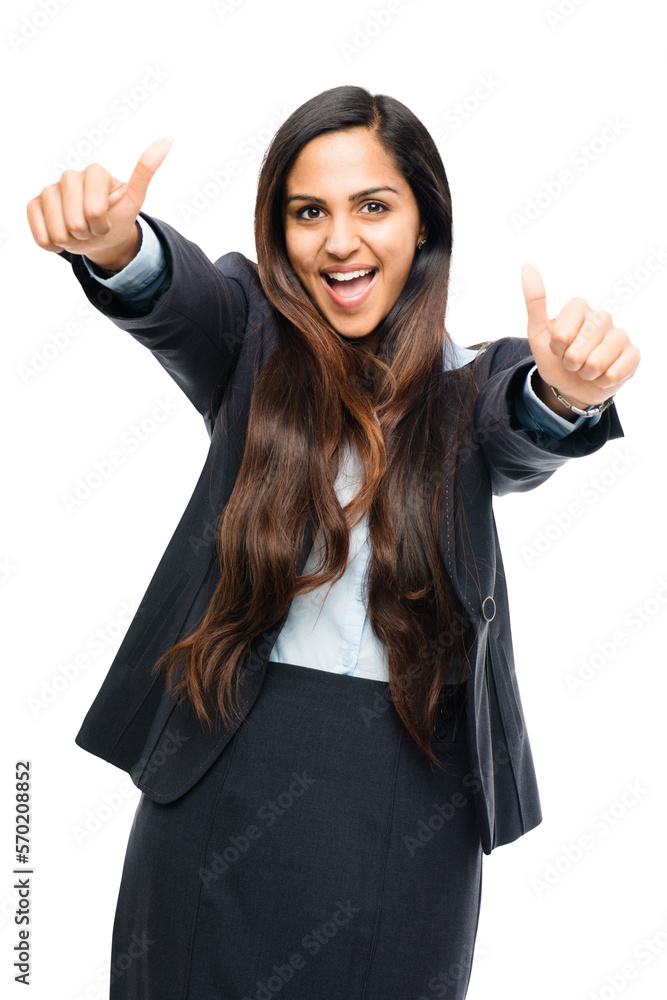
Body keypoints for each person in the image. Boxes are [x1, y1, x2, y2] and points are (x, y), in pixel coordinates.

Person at [27, 85, 638, 1000]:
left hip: (407, 782)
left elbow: (524, 424)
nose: (340, 241)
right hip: (224, 755)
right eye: (308, 212)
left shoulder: (478, 384)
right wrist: (116, 245)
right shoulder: (248, 340)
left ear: (424, 227)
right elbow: (177, 295)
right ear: (280, 234)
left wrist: (564, 392)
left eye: (374, 207)